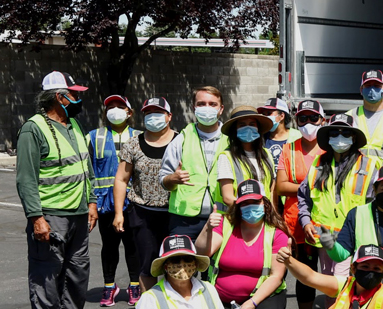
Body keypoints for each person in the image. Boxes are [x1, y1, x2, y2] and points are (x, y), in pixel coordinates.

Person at [17, 71, 97, 309]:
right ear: (60, 98)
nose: (79, 99)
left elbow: (86, 167)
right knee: (48, 278)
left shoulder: (74, 124)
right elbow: (26, 179)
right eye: (74, 94)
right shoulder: (34, 129)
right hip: (51, 217)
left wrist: (91, 202)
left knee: (77, 276)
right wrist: (36, 218)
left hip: (79, 216)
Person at [314, 165, 383, 309]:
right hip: (367, 302)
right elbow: (341, 255)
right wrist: (331, 247)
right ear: (374, 189)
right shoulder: (356, 215)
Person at [296, 113, 379, 306]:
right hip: (324, 238)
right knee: (330, 286)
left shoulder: (369, 165)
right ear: (328, 136)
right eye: (335, 132)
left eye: (345, 132)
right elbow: (303, 197)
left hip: (353, 238)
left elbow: (376, 204)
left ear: (354, 138)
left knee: (344, 284)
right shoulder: (318, 163)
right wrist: (306, 221)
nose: (339, 137)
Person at [113, 97, 178, 292]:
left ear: (169, 117)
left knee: (176, 265)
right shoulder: (133, 144)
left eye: (158, 113)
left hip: (176, 214)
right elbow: (121, 179)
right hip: (143, 215)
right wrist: (118, 214)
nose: (153, 118)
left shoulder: (182, 141)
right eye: (149, 113)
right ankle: (149, 302)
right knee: (148, 267)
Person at [195, 179, 289, 308]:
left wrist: (251, 303)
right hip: (221, 297)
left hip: (261, 298)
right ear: (238, 206)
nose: (250, 206)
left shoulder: (277, 235)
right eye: (245, 203)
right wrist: (207, 228)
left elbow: (276, 276)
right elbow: (202, 253)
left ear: (265, 203)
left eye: (255, 202)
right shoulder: (225, 224)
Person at [89, 94, 142, 306]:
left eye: (120, 106)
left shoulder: (140, 136)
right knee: (109, 246)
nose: (115, 110)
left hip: (134, 203)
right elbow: (88, 171)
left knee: (133, 246)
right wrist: (90, 203)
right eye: (111, 107)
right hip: (105, 204)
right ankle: (109, 286)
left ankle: (134, 285)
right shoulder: (93, 136)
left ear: (129, 112)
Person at [274, 99, 326, 309]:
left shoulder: (328, 148)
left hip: (328, 221)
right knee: (305, 271)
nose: (308, 122)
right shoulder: (288, 150)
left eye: (313, 118)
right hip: (296, 224)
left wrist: (299, 185)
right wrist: (311, 186)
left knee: (333, 269)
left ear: (322, 120)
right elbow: (281, 187)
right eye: (303, 118)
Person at [160, 86, 229, 240]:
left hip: (223, 218)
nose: (207, 108)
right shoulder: (182, 138)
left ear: (221, 109)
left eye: (212, 104)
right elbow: (163, 181)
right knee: (182, 264)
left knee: (217, 264)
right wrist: (172, 179)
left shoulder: (231, 139)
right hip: (184, 220)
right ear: (194, 108)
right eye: (201, 104)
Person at [277, 244, 383, 309]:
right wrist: (289, 261)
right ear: (353, 268)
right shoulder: (345, 285)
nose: (370, 272)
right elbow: (310, 277)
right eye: (365, 267)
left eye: (376, 268)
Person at [212, 105, 275, 210]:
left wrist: (270, 214)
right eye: (242, 125)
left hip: (264, 217)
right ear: (235, 130)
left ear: (258, 128)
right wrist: (250, 210)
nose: (248, 128)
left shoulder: (267, 154)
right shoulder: (226, 157)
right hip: (236, 219)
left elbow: (271, 189)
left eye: (252, 124)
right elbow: (227, 197)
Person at [136, 235, 223, 309]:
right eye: (175, 260)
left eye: (187, 259)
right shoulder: (150, 298)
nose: (182, 264)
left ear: (195, 263)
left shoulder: (209, 289)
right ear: (165, 266)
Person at [258, 97, 301, 168]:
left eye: (269, 113)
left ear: (281, 116)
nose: (266, 117)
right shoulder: (261, 137)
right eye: (264, 114)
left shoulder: (298, 136)